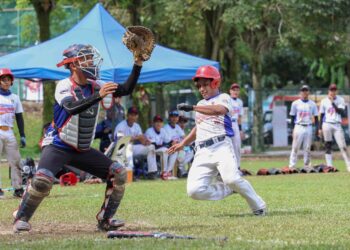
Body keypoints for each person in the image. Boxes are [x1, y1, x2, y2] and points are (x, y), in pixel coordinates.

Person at [13, 44, 143, 232]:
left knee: (118, 173)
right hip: (58, 144)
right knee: (42, 180)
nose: (91, 62)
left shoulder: (97, 85)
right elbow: (72, 108)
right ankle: (21, 218)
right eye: (87, 59)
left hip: (82, 148)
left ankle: (105, 220)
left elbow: (126, 89)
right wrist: (99, 95)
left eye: (91, 58)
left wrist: (137, 63)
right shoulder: (64, 85)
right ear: (73, 65)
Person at [168, 65, 266, 215]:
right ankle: (228, 189)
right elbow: (198, 127)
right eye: (199, 85)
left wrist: (193, 108)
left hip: (221, 146)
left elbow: (219, 110)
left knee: (232, 178)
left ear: (215, 83)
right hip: (202, 151)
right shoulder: (201, 104)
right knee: (194, 190)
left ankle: (258, 206)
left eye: (205, 84)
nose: (201, 89)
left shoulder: (224, 98)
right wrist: (182, 143)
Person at [0, 68, 26, 198]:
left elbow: (19, 117)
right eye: (3, 80)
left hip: (9, 132)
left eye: (8, 80)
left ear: (11, 82)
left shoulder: (15, 98)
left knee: (16, 161)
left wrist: (22, 135)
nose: (6, 82)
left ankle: (18, 188)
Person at [113, 107, 158, 179]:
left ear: (137, 116)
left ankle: (152, 173)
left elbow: (142, 140)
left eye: (135, 115)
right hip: (120, 150)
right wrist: (136, 138)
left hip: (132, 147)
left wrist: (146, 142)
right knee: (129, 147)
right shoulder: (121, 126)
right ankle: (130, 174)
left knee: (151, 147)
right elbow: (121, 141)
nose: (133, 117)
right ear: (127, 115)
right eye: (131, 115)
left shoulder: (137, 126)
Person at [319, 83, 350, 172]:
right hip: (327, 124)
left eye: (334, 90)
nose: (332, 92)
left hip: (337, 124)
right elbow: (321, 114)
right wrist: (320, 128)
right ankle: (329, 166)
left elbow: (340, 112)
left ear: (336, 91)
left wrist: (333, 102)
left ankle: (348, 165)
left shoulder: (340, 99)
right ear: (328, 91)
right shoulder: (324, 101)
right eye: (331, 90)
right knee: (328, 145)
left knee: (343, 146)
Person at [288, 85, 319, 170]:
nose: (304, 92)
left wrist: (317, 129)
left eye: (306, 90)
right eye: (303, 91)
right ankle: (292, 165)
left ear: (309, 92)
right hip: (298, 126)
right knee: (295, 147)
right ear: (300, 92)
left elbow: (316, 118)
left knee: (307, 147)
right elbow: (292, 117)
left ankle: (307, 165)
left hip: (308, 126)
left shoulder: (312, 104)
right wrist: (292, 128)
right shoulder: (295, 103)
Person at [145, 115, 177, 180]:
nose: (158, 123)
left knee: (174, 151)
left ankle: (168, 172)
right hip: (151, 150)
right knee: (164, 150)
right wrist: (166, 145)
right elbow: (154, 145)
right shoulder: (149, 131)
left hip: (160, 149)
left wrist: (173, 142)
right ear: (153, 123)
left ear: (162, 124)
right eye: (156, 122)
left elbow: (168, 141)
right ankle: (163, 173)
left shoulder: (163, 130)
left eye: (160, 122)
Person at [229, 83, 244, 169]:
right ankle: (230, 167)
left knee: (237, 146)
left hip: (235, 124)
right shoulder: (227, 100)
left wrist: (241, 129)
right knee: (228, 146)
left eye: (237, 90)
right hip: (228, 124)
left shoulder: (240, 102)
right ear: (230, 91)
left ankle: (237, 167)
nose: (235, 91)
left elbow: (240, 116)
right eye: (234, 90)